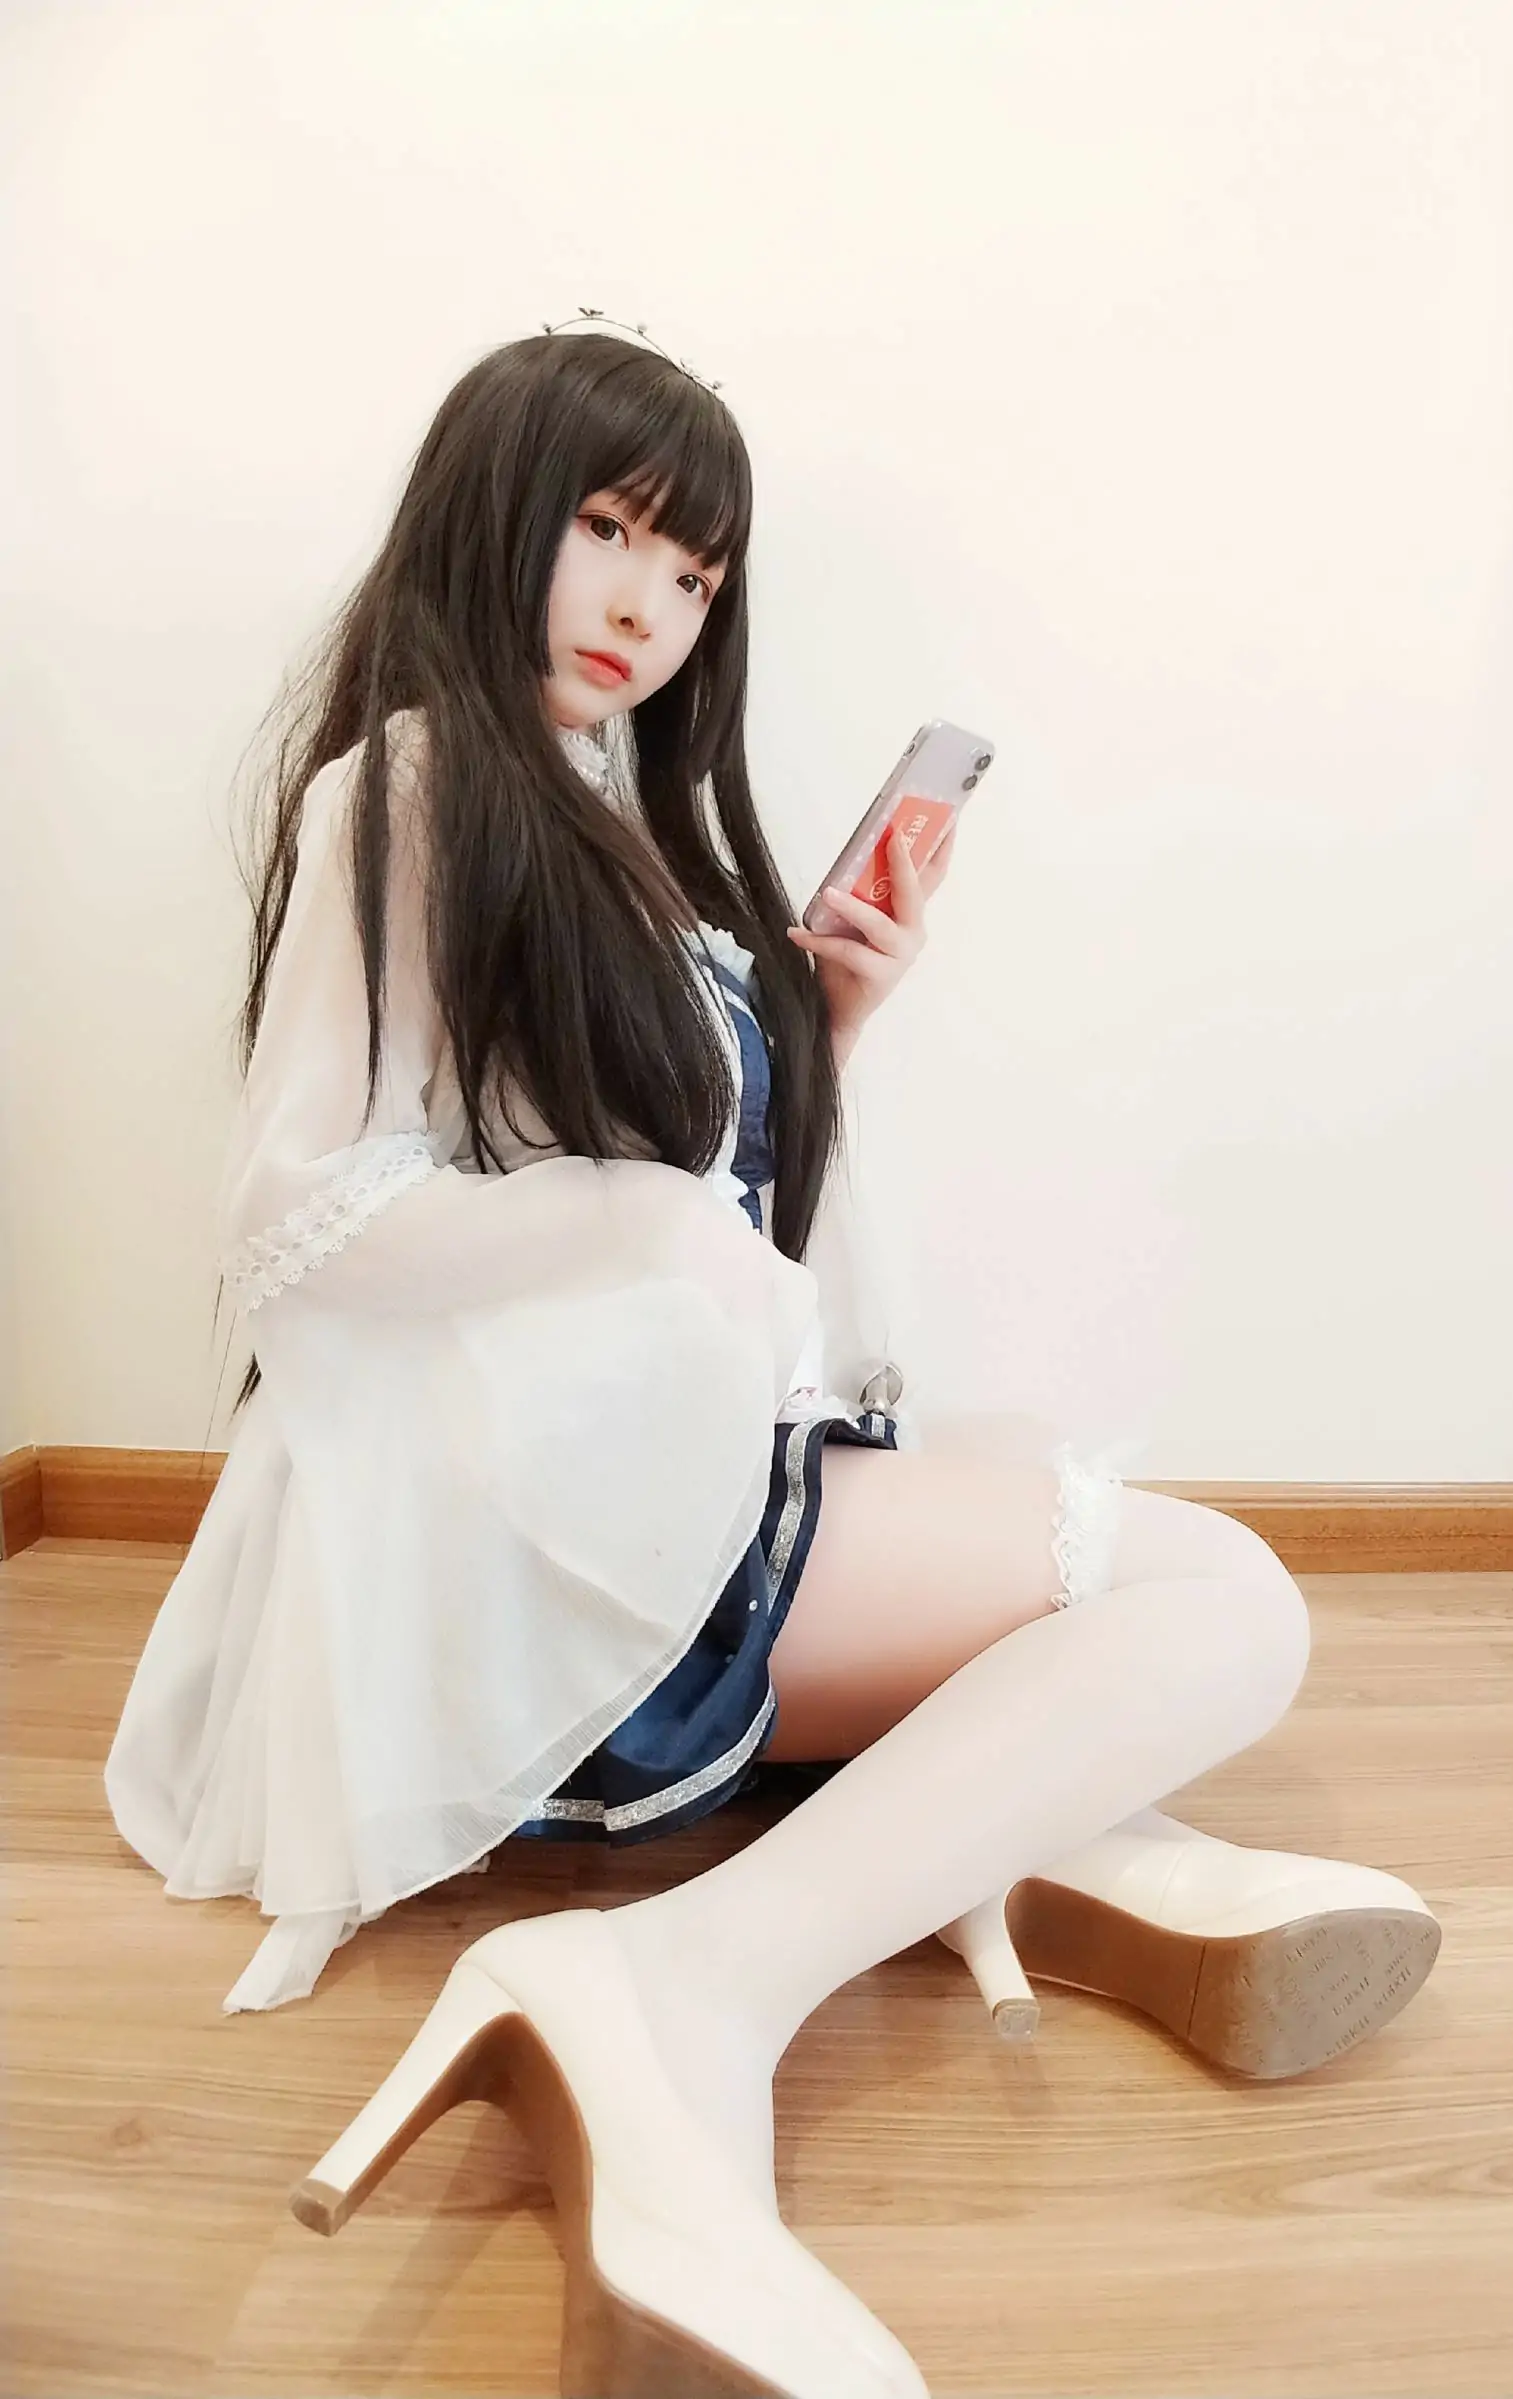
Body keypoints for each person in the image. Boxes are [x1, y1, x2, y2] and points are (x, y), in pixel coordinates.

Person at [105, 320, 1442, 2398]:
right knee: (1232, 1604)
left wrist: (821, 1029)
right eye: (609, 527)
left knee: (1032, 1467)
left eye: (695, 569)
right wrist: (641, 1219)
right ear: (492, 510)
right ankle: (687, 1981)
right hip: (556, 1527)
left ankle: (1022, 1830)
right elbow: (301, 1214)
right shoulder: (421, 781)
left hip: (620, 1473)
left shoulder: (594, 811)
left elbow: (712, 1229)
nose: (649, 602)